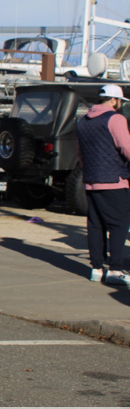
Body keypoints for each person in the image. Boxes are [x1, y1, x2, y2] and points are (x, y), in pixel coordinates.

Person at [76, 84, 130, 286]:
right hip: (113, 180)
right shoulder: (116, 119)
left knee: (95, 225)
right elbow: (126, 147)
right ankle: (115, 269)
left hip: (91, 180)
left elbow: (81, 153)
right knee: (119, 225)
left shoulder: (83, 121)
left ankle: (96, 268)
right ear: (114, 100)